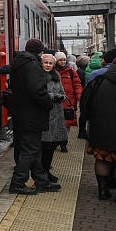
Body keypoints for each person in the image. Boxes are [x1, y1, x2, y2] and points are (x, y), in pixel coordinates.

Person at [8, 38, 61, 195]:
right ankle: (17, 183)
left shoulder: (19, 64)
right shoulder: (33, 66)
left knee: (33, 149)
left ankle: (42, 181)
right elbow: (37, 91)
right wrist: (47, 104)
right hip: (32, 114)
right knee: (30, 150)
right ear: (40, 51)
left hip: (21, 113)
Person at [81, 54, 116, 203]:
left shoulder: (99, 81)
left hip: (101, 127)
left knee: (102, 158)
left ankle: (103, 191)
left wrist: (86, 124)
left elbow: (85, 105)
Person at [40, 54, 69, 183]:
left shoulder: (56, 77)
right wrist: (53, 96)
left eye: (50, 63)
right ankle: (41, 173)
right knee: (42, 146)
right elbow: (38, 94)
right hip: (43, 116)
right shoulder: (38, 77)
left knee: (51, 147)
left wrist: (60, 97)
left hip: (56, 116)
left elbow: (63, 94)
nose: (47, 65)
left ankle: (46, 170)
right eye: (45, 63)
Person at [54, 51, 82, 152]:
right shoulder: (52, 71)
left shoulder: (71, 72)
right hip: (57, 101)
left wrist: (79, 97)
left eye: (64, 60)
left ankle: (63, 143)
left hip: (69, 101)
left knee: (67, 123)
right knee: (57, 122)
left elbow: (77, 85)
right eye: (60, 60)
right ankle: (58, 141)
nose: (62, 62)